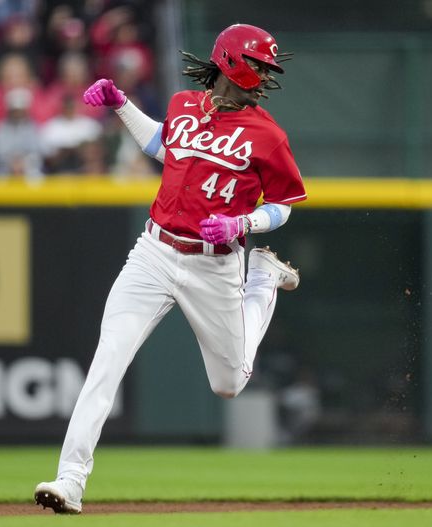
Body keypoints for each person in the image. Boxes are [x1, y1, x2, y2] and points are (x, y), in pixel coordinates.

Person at [34, 23, 307, 514]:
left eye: (268, 68)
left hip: (216, 267)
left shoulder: (268, 134)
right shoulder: (185, 104)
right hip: (154, 253)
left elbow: (284, 204)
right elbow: (164, 146)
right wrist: (121, 105)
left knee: (229, 385)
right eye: (260, 64)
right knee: (107, 361)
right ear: (230, 60)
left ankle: (263, 279)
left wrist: (244, 222)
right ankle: (70, 480)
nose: (265, 75)